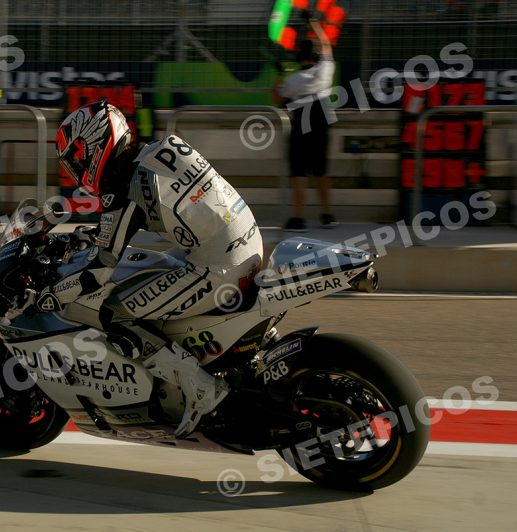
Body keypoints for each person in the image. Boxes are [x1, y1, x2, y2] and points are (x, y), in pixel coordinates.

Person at [17, 101, 263, 438]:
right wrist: (93, 234)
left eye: (76, 158)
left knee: (115, 311)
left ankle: (201, 388)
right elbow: (139, 220)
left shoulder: (123, 186)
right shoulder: (155, 151)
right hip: (246, 239)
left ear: (93, 146)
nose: (76, 169)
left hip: (220, 264)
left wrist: (54, 293)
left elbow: (101, 267)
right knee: (153, 269)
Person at [274, 14, 337, 232]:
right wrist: (314, 24)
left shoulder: (293, 80)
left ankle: (298, 218)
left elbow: (276, 96)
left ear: (298, 57)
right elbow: (327, 45)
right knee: (321, 169)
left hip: (301, 120)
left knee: (298, 169)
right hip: (322, 117)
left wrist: (280, 74)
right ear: (315, 56)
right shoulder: (325, 71)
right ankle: (327, 215)